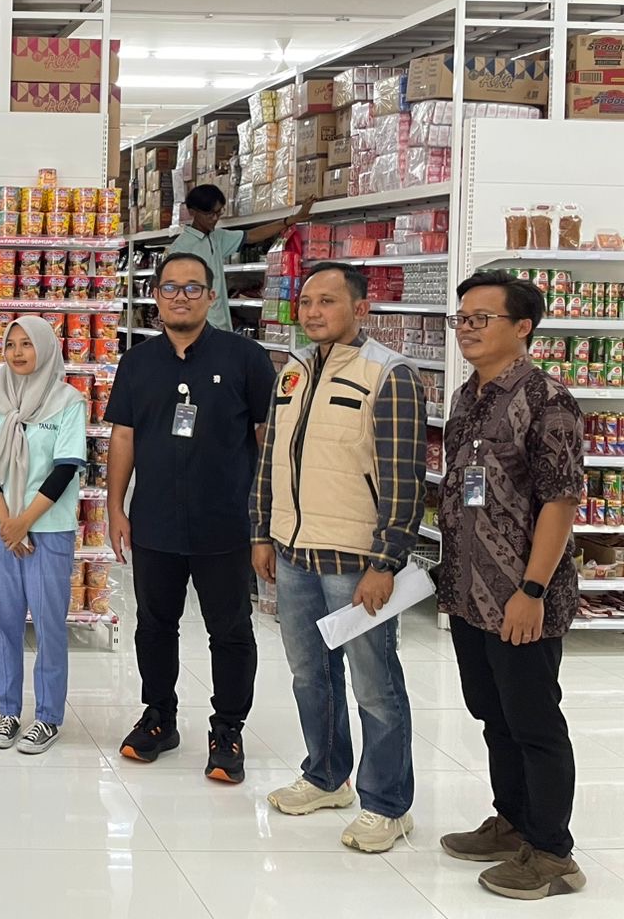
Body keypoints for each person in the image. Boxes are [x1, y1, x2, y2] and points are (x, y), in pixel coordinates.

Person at [250, 261, 426, 853]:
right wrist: (262, 532)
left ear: (360, 308)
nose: (313, 312)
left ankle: (388, 805)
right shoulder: (293, 370)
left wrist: (386, 561)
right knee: (310, 675)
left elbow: (404, 478)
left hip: (355, 559)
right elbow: (271, 458)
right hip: (294, 551)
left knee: (375, 684)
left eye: (327, 301)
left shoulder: (390, 373)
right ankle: (327, 776)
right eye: (306, 302)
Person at [436, 271, 587, 900]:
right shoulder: (467, 395)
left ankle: (553, 853)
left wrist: (531, 590)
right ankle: (513, 822)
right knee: (492, 713)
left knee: (533, 720)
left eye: (482, 318)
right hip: (468, 593)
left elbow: (560, 501)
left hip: (521, 597)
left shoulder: (549, 400)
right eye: (462, 318)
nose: (467, 329)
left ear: (523, 327)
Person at [105, 251, 275, 783]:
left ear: (211, 295)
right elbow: (124, 436)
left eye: (193, 287)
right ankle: (159, 717)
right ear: (156, 295)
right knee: (155, 625)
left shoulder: (246, 358)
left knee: (230, 629)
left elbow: (266, 438)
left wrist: (265, 517)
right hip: (154, 520)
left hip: (225, 521)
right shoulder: (137, 363)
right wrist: (114, 507)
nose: (181, 296)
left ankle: (228, 729)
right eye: (171, 287)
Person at [0, 316, 86, 755]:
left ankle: (48, 716)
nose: (17, 352)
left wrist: (24, 522)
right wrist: (6, 522)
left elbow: (65, 468)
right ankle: (9, 711)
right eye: (11, 344)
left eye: (27, 344)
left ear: (46, 349)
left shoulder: (68, 401)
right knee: (5, 624)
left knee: (50, 625)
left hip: (48, 528)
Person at [168, 183, 313, 331]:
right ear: (192, 212)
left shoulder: (216, 237)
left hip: (221, 326)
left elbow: (252, 235)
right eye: (210, 214)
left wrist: (291, 220)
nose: (215, 218)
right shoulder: (181, 248)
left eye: (219, 212)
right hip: (197, 329)